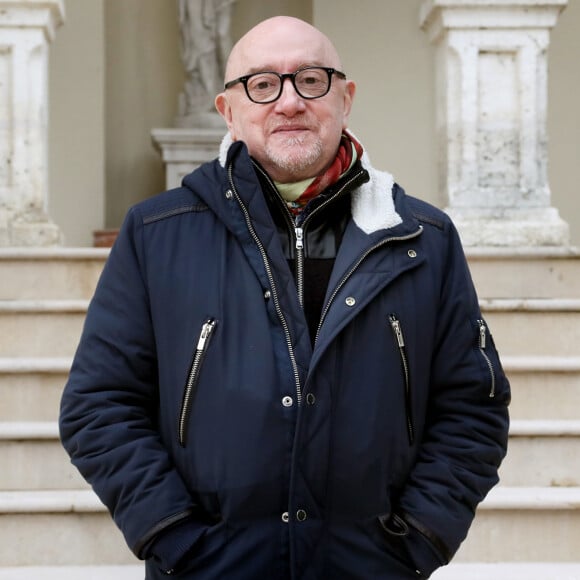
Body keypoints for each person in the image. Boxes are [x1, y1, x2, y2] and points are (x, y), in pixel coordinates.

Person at [59, 15, 510, 580]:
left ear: (345, 98)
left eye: (311, 79)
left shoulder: (424, 239)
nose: (290, 101)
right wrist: (175, 537)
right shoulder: (157, 234)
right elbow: (98, 404)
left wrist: (417, 540)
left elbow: (472, 406)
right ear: (229, 110)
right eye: (262, 84)